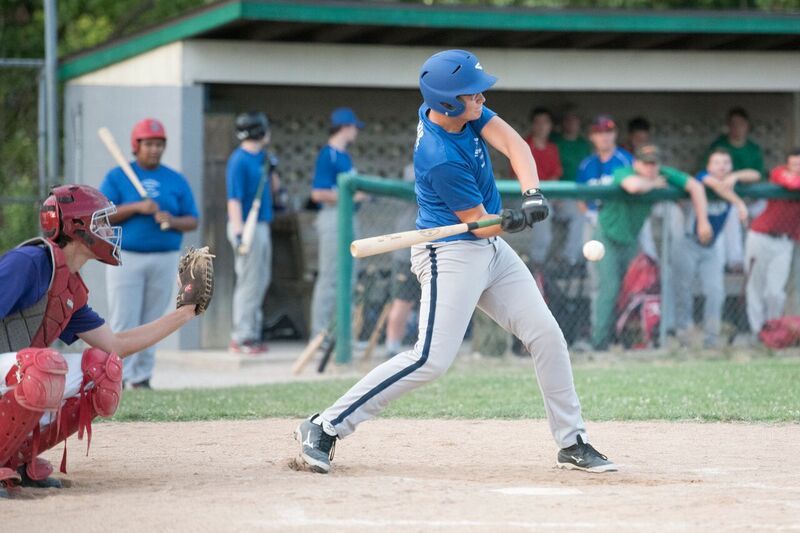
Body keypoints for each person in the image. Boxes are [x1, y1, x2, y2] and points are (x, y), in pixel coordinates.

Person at [295, 49, 616, 475]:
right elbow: (480, 225)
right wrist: (511, 221)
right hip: (450, 252)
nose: (481, 98)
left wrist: (531, 193)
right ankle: (325, 425)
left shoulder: (461, 111)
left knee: (546, 335)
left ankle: (572, 441)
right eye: (473, 94)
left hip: (487, 247)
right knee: (430, 359)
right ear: (448, 102)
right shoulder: (438, 154)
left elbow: (513, 142)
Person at [0, 185, 211, 497]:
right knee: (43, 366)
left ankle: (17, 459)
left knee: (103, 369)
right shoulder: (30, 262)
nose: (108, 231)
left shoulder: (69, 284)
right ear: (76, 228)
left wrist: (185, 313)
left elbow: (116, 346)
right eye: (100, 223)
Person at [100, 118, 198, 388]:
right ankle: (116, 377)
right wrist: (135, 208)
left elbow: (193, 219)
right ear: (136, 145)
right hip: (125, 257)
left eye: (159, 144)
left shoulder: (175, 179)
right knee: (124, 318)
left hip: (164, 256)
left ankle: (142, 377)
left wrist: (171, 220)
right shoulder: (117, 176)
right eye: (149, 144)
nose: (154, 149)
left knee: (154, 320)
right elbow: (101, 216)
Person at [591, 144, 712, 350]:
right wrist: (655, 183)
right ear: (636, 163)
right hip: (606, 236)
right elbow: (633, 186)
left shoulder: (663, 173)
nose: (650, 168)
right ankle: (599, 343)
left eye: (654, 163)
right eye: (646, 163)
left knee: (634, 290)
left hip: (630, 239)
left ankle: (626, 339)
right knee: (609, 289)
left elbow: (696, 186)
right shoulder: (624, 171)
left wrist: (703, 221)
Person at [671, 149, 756, 348]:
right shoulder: (702, 177)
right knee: (683, 289)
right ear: (709, 166)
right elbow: (717, 186)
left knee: (716, 291)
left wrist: (735, 176)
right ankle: (683, 336)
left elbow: (756, 174)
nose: (721, 166)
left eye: (726, 163)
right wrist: (740, 203)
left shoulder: (732, 180)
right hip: (687, 242)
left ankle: (711, 338)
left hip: (711, 245)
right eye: (717, 163)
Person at [226, 112, 280, 354]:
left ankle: (252, 334)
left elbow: (276, 190)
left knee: (261, 280)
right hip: (246, 226)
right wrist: (238, 233)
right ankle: (242, 337)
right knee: (249, 282)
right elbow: (234, 199)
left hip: (262, 225)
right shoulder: (239, 160)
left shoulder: (263, 158)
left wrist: (274, 169)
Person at [309, 107, 365, 339]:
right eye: (353, 127)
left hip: (349, 217)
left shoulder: (345, 156)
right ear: (344, 127)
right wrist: (351, 196)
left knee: (350, 276)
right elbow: (318, 194)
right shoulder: (328, 154)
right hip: (333, 217)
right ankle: (320, 335)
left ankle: (342, 336)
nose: (356, 132)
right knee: (331, 277)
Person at [744, 149, 800, 337]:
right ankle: (756, 333)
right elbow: (790, 183)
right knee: (755, 288)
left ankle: (773, 331)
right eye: (793, 165)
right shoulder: (779, 172)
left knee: (775, 292)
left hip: (784, 241)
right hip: (760, 237)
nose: (796, 168)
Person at [523, 107, 583, 271]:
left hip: (553, 197)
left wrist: (555, 195)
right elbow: (523, 177)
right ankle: (538, 263)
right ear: (533, 125)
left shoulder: (552, 148)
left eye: (546, 123)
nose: (542, 127)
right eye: (538, 123)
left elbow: (556, 174)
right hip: (529, 198)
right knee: (544, 211)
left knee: (578, 212)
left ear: (550, 126)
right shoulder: (523, 146)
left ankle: (569, 260)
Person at [707, 107, 765, 273]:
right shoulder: (719, 145)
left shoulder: (753, 148)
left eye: (741, 124)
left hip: (749, 198)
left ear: (747, 126)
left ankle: (757, 260)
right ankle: (734, 261)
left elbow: (757, 174)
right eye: (733, 124)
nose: (737, 128)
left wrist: (735, 176)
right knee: (731, 214)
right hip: (723, 200)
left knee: (762, 211)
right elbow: (706, 173)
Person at [383, 163, 421, 358]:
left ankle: (426, 347)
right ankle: (392, 348)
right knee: (402, 301)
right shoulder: (412, 169)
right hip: (407, 251)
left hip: (432, 249)